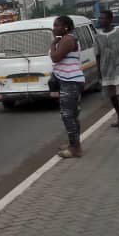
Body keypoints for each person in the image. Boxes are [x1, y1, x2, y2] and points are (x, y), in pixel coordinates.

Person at [50, 15, 85, 158]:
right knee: (72, 115)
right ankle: (74, 144)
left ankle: (75, 148)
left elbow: (55, 57)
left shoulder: (68, 39)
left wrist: (53, 44)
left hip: (70, 81)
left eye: (57, 25)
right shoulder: (66, 39)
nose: (54, 28)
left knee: (67, 115)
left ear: (66, 27)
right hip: (69, 80)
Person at [96, 10, 119, 132]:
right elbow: (98, 55)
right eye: (100, 18)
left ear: (110, 19)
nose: (100, 20)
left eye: (103, 18)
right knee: (113, 97)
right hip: (106, 71)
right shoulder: (97, 37)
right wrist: (99, 72)